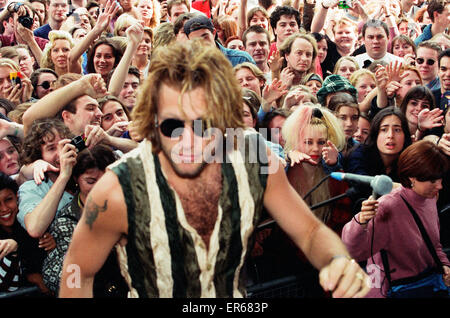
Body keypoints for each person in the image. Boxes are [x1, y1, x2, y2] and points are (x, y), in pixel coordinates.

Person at [59, 40, 370, 298]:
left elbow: (310, 231)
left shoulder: (253, 159)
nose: (189, 139)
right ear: (150, 122)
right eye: (172, 125)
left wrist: (336, 259)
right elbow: (77, 270)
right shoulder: (118, 190)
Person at [342, 140, 450, 298]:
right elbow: (355, 251)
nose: (439, 186)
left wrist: (444, 265)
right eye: (433, 181)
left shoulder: (430, 198)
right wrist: (361, 221)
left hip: (427, 286)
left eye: (440, 179)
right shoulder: (387, 207)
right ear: (412, 178)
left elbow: (434, 245)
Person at [42, 144, 128, 297]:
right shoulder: (66, 221)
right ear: (76, 179)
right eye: (90, 181)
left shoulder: (129, 207)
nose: (99, 188)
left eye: (106, 180)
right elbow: (63, 279)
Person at [0, 173, 51, 294]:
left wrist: (51, 244)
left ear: (17, 197)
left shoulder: (30, 222)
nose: (4, 209)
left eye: (8, 200)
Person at [183, 14, 255, 67]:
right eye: (196, 41)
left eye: (205, 37)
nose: (202, 43)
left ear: (214, 33)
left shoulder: (241, 59)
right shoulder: (187, 67)